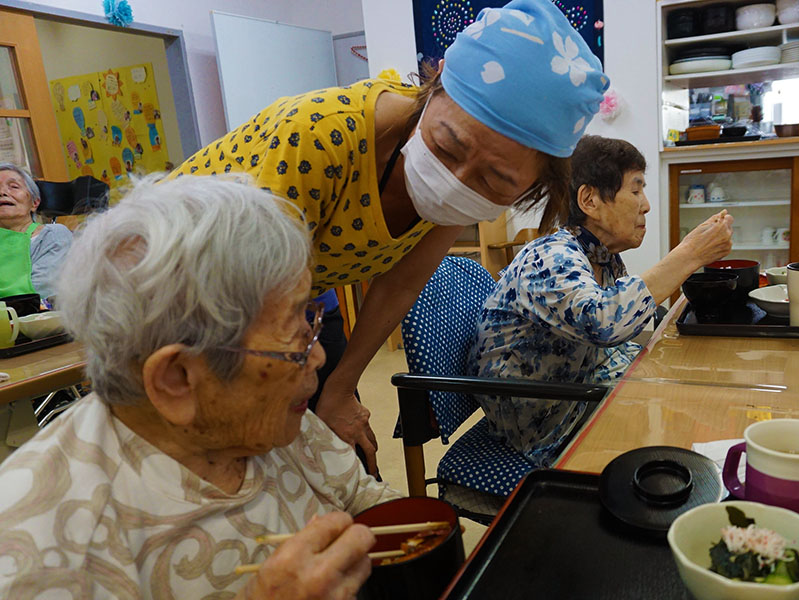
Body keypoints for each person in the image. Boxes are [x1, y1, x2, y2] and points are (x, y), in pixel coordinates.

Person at [168, 0, 611, 473]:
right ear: (433, 85)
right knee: (239, 467)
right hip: (192, 291)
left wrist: (338, 390)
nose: (454, 178)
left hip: (303, 298)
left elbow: (401, 283)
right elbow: (248, 301)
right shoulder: (321, 137)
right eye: (445, 146)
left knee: (345, 461)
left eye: (495, 181)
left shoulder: (453, 186)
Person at [0, 176, 400, 598]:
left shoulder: (272, 415)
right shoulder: (41, 550)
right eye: (292, 331)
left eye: (309, 317)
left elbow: (360, 497)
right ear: (178, 379)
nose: (316, 356)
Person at [468, 136, 735, 467]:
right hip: (547, 422)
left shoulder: (601, 256)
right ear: (589, 200)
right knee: (681, 445)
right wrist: (690, 254)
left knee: (701, 398)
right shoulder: (551, 257)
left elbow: (629, 319)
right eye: (635, 190)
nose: (646, 204)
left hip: (585, 389)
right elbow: (603, 323)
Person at [0, 163, 72, 300]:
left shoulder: (53, 235)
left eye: (14, 187)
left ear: (34, 203)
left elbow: (45, 288)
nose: (2, 193)